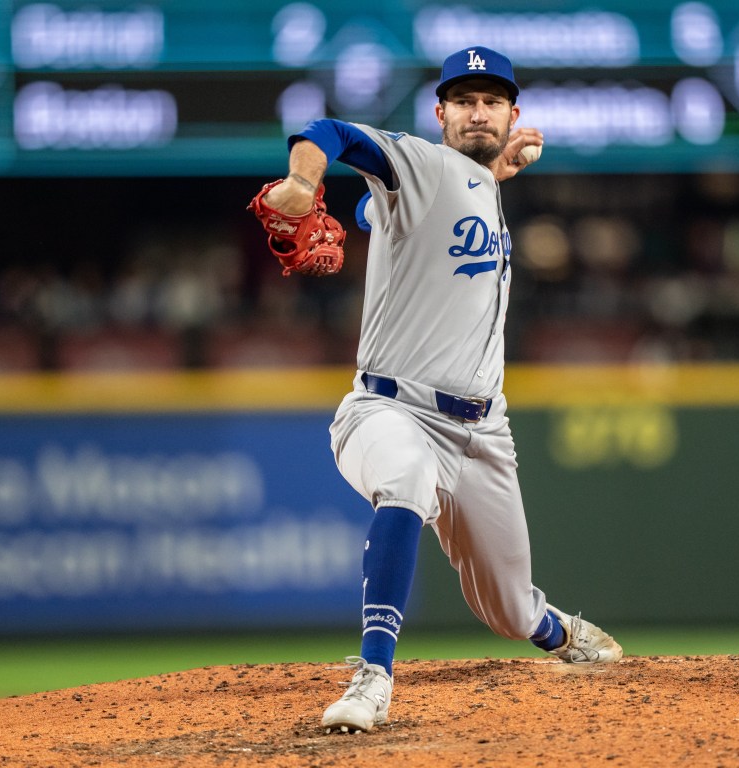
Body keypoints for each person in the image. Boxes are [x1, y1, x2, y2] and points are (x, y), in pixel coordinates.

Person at [253, 45, 623, 735]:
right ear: (440, 112)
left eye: (491, 102)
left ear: (513, 115)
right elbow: (328, 132)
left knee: (509, 610)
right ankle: (373, 675)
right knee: (405, 480)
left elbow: (376, 218)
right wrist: (304, 182)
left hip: (484, 431)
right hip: (391, 409)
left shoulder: (472, 185)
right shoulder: (420, 162)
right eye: (463, 100)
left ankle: (554, 628)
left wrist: (496, 173)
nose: (477, 112)